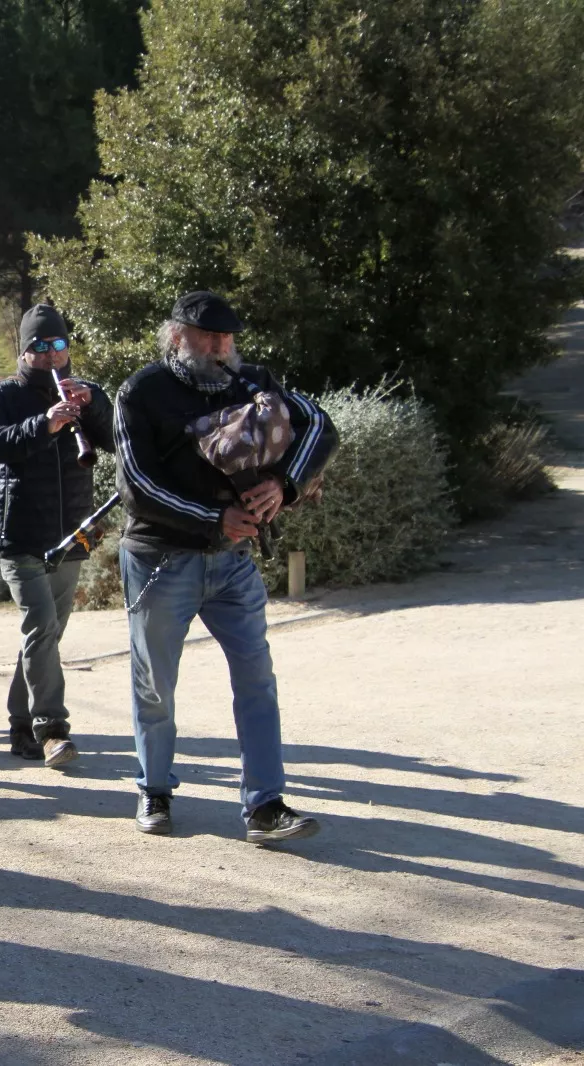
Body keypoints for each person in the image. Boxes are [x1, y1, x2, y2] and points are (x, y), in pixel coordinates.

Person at [115, 291, 335, 843]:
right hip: (160, 559)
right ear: (176, 337)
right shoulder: (141, 392)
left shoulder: (252, 381)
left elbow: (319, 425)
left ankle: (265, 805)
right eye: (207, 337)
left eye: (227, 338)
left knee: (257, 678)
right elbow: (136, 487)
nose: (219, 347)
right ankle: (155, 789)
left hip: (234, 563)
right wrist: (216, 518)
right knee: (156, 687)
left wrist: (283, 486)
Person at [0, 304, 114, 767]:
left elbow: (117, 438)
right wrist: (45, 424)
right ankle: (53, 728)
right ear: (24, 350)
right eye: (40, 346)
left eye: (58, 345)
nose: (51, 355)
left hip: (71, 532)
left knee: (46, 636)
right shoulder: (0, 395)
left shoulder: (83, 393)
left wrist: (93, 404)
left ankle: (20, 724)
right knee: (40, 626)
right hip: (20, 534)